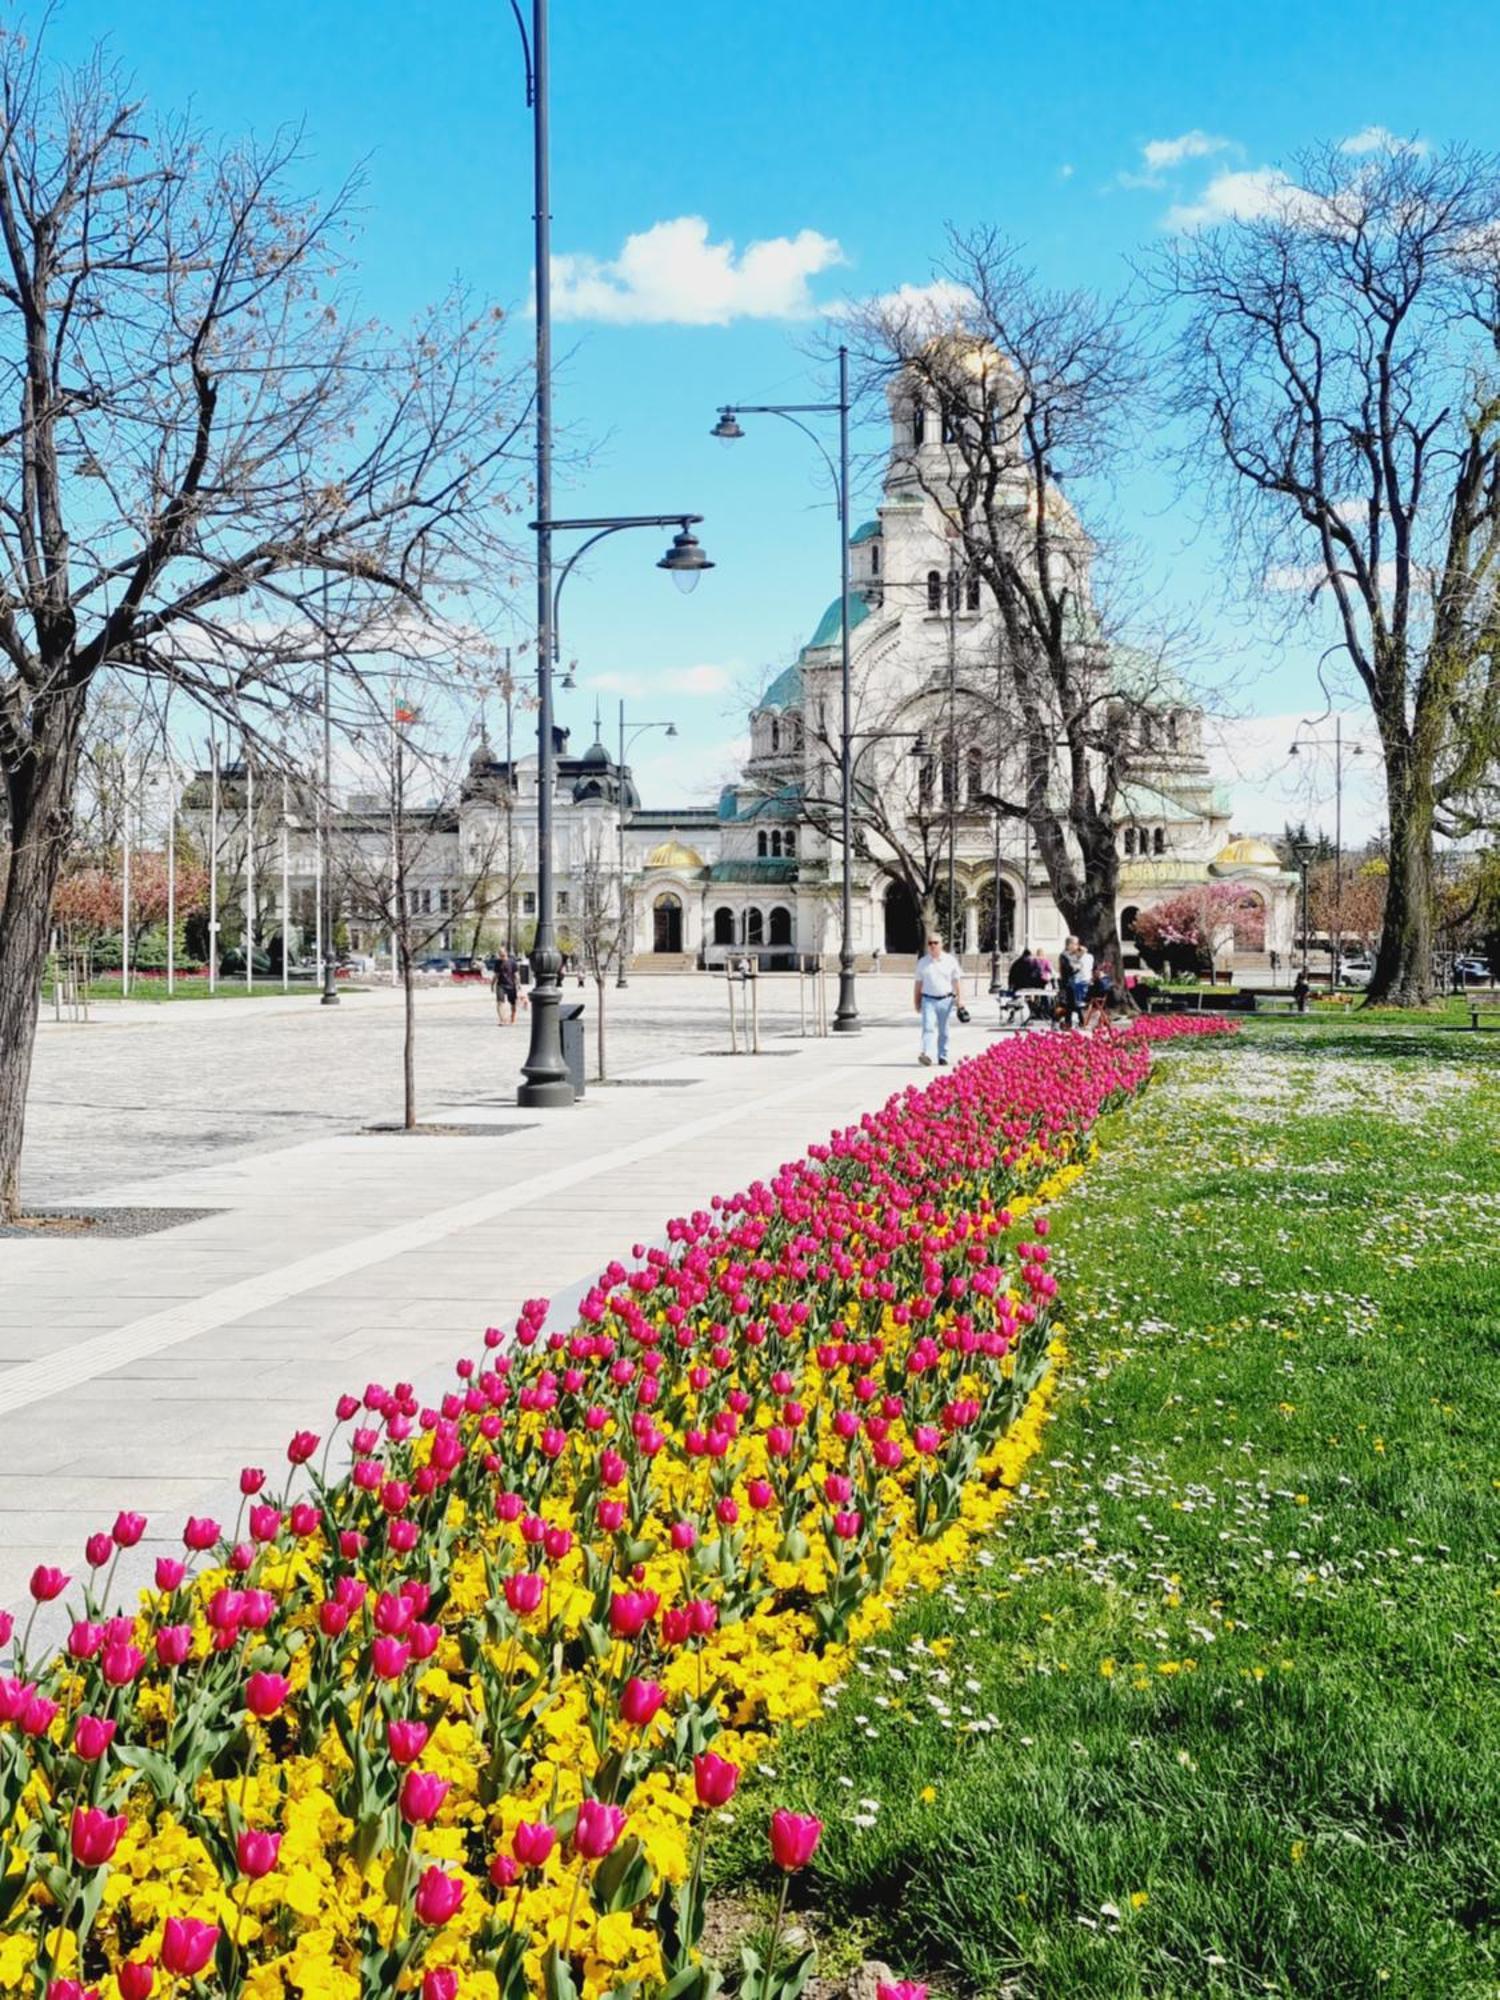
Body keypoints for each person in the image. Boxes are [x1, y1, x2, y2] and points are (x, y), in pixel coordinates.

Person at [913, 930, 963, 1067]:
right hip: (928, 999)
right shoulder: (923, 962)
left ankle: (943, 1055)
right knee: (928, 1027)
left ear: (942, 944)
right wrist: (916, 1001)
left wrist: (960, 1000)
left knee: (944, 1030)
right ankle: (927, 1054)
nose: (933, 946)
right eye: (930, 943)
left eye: (935, 943)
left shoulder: (950, 961)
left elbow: (956, 981)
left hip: (946, 1000)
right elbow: (918, 983)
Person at [493, 951, 519, 1025]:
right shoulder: (498, 963)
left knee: (513, 1003)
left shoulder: (513, 962)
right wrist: (492, 984)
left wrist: (519, 985)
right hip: (500, 985)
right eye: (501, 955)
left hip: (511, 985)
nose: (502, 957)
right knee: (500, 1002)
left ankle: (513, 1017)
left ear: (506, 954)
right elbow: (496, 974)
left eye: (503, 955)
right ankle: (502, 1019)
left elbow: (516, 975)